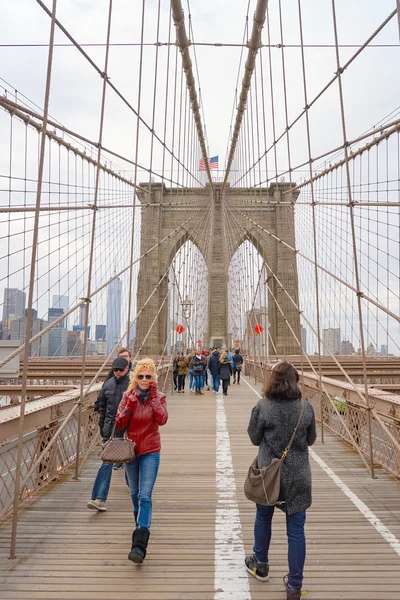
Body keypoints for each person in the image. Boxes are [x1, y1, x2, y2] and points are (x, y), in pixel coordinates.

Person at [245, 362, 317, 600]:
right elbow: (311, 440)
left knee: (263, 517)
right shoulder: (305, 408)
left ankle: (261, 564)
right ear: (295, 382)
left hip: (268, 474)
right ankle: (295, 587)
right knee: (296, 531)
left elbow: (255, 438)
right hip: (298, 477)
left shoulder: (263, 407)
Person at [115, 357, 168, 564]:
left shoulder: (160, 397)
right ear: (135, 377)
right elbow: (119, 422)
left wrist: (154, 397)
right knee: (135, 493)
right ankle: (140, 522)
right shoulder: (127, 396)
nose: (144, 379)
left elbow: (162, 420)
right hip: (131, 451)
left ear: (153, 377)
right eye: (140, 376)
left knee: (145, 495)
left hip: (151, 451)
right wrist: (129, 404)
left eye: (148, 376)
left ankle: (139, 543)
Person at [87, 357, 130, 511]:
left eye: (120, 370)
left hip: (129, 431)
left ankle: (133, 487)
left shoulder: (134, 385)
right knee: (106, 462)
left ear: (127, 368)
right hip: (111, 431)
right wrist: (103, 429)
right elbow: (102, 409)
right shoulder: (108, 385)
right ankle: (99, 499)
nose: (117, 372)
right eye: (115, 370)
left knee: (131, 462)